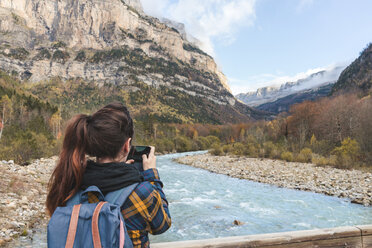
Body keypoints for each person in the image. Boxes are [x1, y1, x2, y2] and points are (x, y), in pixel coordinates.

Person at [46, 102, 171, 248]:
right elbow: (162, 224)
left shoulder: (70, 183)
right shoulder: (143, 192)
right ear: (127, 145)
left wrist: (121, 171)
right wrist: (152, 175)